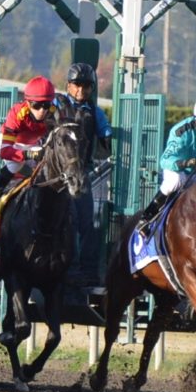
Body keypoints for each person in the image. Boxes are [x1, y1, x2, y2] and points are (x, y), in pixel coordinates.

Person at [57, 62, 113, 282]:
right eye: (76, 85)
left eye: (86, 86)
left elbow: (105, 132)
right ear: (68, 85)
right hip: (56, 175)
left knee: (85, 222)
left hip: (81, 175)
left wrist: (108, 137)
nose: (81, 90)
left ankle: (86, 272)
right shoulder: (56, 105)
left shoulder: (94, 112)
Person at [138, 96, 196, 226]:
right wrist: (186, 163)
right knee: (175, 181)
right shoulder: (181, 132)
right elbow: (165, 160)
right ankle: (147, 216)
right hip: (179, 170)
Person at [0, 76, 58, 205]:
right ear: (28, 102)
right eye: (37, 105)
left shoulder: (54, 113)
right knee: (15, 165)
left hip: (33, 144)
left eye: (46, 105)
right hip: (10, 144)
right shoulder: (17, 113)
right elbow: (5, 151)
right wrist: (27, 155)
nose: (42, 111)